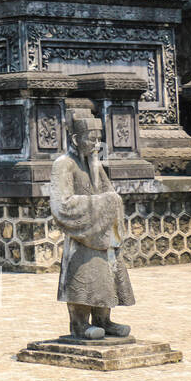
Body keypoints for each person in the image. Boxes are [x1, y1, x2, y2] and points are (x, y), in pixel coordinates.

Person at [49, 111, 133, 340]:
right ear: (76, 139)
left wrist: (108, 201)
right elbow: (61, 205)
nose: (96, 144)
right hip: (81, 235)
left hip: (102, 235)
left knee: (105, 276)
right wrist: (102, 204)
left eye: (98, 139)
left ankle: (103, 319)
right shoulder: (64, 165)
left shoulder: (94, 164)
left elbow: (109, 194)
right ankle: (79, 324)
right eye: (90, 139)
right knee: (83, 277)